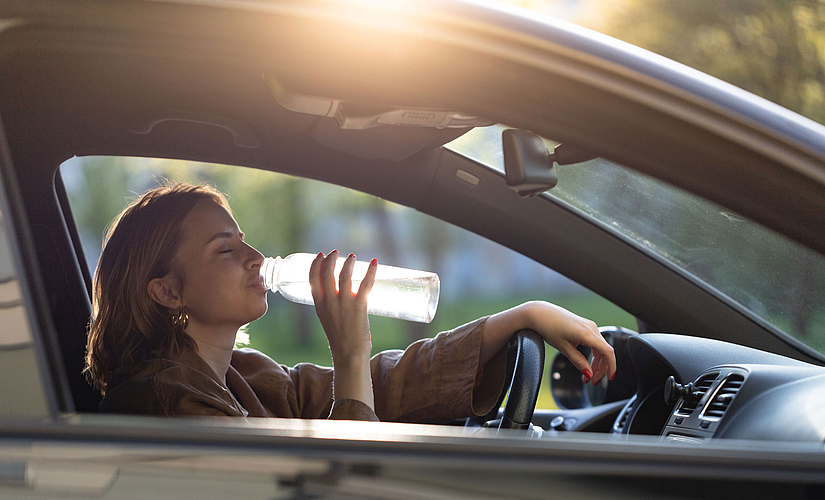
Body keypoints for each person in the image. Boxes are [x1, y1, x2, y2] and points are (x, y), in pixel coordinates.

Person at [85, 183, 615, 421]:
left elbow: (386, 384)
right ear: (167, 291)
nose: (253, 256)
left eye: (244, 240)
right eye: (225, 249)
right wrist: (350, 357)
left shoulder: (241, 376)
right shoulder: (167, 405)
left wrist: (520, 317)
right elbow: (343, 479)